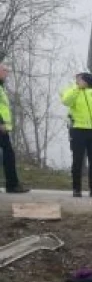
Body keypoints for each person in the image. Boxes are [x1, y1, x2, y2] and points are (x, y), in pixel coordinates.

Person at [0, 64, 30, 194]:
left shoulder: (1, 86)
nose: (7, 74)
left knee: (8, 155)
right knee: (9, 155)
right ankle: (12, 185)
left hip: (3, 127)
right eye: (5, 71)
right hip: (0, 126)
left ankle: (12, 184)